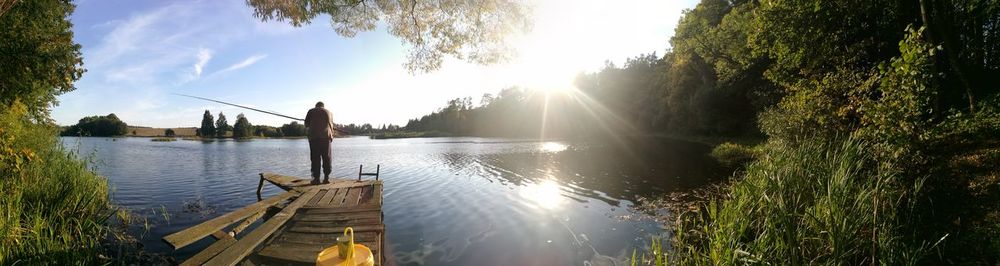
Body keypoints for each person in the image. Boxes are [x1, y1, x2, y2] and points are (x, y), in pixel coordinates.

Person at [305, 101, 335, 183]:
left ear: (316, 106)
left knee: (315, 158)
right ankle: (326, 178)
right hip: (326, 138)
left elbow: (306, 124)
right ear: (323, 106)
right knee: (327, 158)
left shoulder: (311, 111)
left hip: (314, 138)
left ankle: (316, 179)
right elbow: (331, 125)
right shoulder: (329, 112)